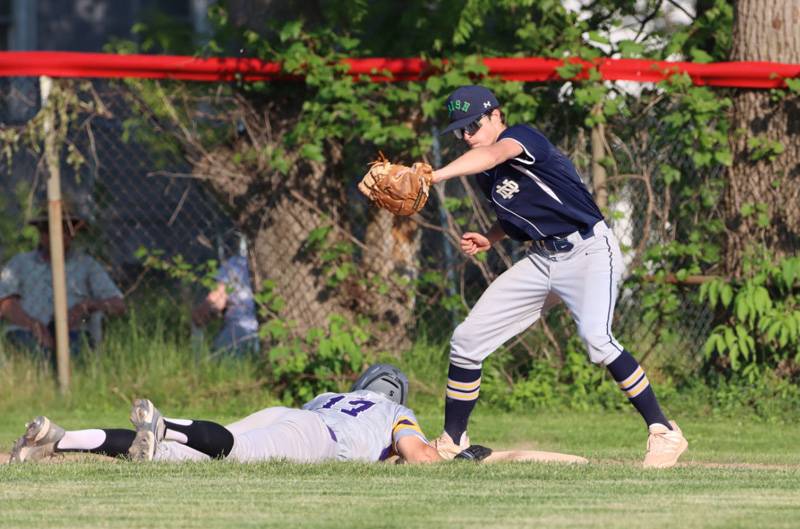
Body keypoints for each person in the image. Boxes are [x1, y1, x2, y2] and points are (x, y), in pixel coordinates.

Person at [427, 85, 688, 469]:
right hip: (544, 258)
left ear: (497, 115)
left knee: (597, 341)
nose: (466, 136)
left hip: (588, 252)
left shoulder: (522, 137)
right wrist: (491, 236)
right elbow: (520, 213)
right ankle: (452, 440)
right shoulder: (487, 174)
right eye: (460, 131)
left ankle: (665, 432)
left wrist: (433, 176)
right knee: (467, 340)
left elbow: (493, 153)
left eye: (473, 125)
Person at [9, 363, 442, 464]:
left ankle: (58, 439)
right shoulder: (393, 409)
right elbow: (417, 455)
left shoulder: (332, 395)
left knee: (174, 457)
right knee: (234, 452)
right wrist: (447, 456)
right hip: (317, 436)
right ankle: (167, 425)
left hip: (288, 412)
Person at [0, 208, 126, 358]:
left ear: (71, 234)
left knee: (74, 353)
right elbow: (5, 303)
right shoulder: (20, 262)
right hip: (26, 331)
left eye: (63, 230)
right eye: (48, 230)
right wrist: (34, 326)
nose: (55, 235)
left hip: (74, 332)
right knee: (32, 352)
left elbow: (118, 304)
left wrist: (83, 307)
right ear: (41, 234)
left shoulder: (86, 264)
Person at [191, 250, 259, 356]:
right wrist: (204, 310)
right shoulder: (238, 263)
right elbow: (219, 295)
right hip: (239, 328)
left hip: (258, 329)